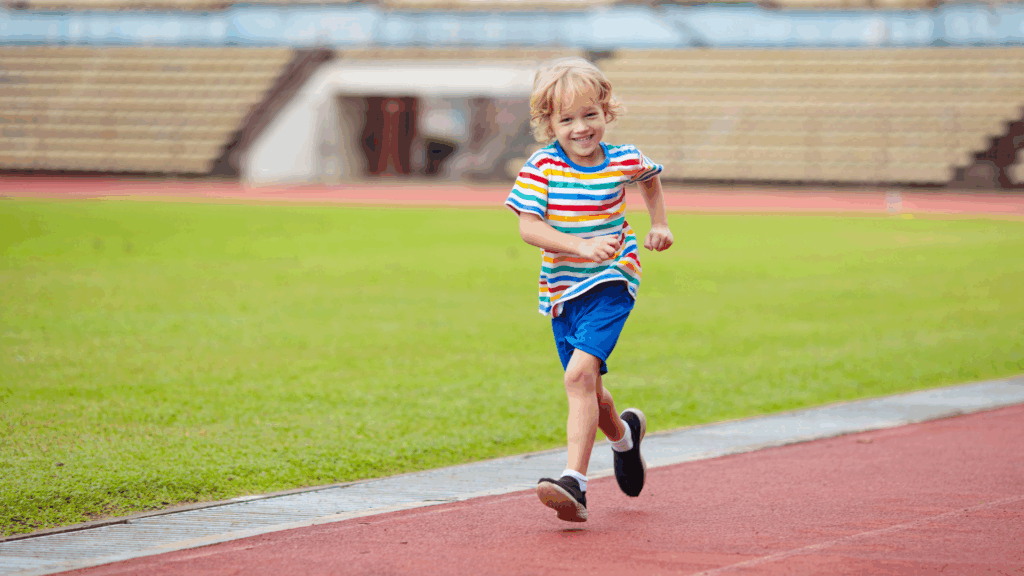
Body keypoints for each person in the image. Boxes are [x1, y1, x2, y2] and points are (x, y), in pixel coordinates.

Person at [504, 58, 673, 523]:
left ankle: (573, 483)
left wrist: (659, 224)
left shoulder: (623, 158)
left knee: (577, 378)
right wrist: (579, 245)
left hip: (614, 279)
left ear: (606, 111)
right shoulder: (541, 167)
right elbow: (529, 227)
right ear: (548, 123)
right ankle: (624, 438)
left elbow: (650, 178)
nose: (581, 128)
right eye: (567, 119)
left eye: (590, 115)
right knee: (591, 392)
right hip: (563, 291)